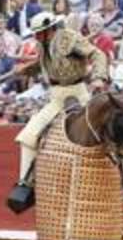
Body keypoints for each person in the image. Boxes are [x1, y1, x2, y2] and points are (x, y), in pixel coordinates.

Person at [12, 12, 108, 190]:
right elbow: (43, 65)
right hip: (55, 96)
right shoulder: (43, 45)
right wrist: (24, 70)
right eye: (35, 34)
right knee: (28, 135)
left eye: (39, 33)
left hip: (78, 93)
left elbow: (98, 55)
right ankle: (25, 183)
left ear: (50, 29)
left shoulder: (70, 38)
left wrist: (99, 77)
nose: (36, 37)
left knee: (100, 133)